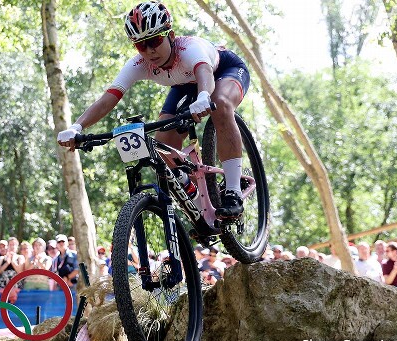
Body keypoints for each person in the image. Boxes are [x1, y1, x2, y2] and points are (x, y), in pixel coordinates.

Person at [57, 1, 251, 218]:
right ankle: (195, 195)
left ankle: (233, 191)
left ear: (171, 35)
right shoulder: (139, 64)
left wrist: (204, 95)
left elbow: (204, 73)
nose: (149, 51)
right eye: (141, 45)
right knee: (163, 144)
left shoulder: (189, 48)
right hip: (185, 86)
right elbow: (107, 100)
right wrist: (77, 126)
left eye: (155, 41)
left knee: (221, 104)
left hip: (224, 71)